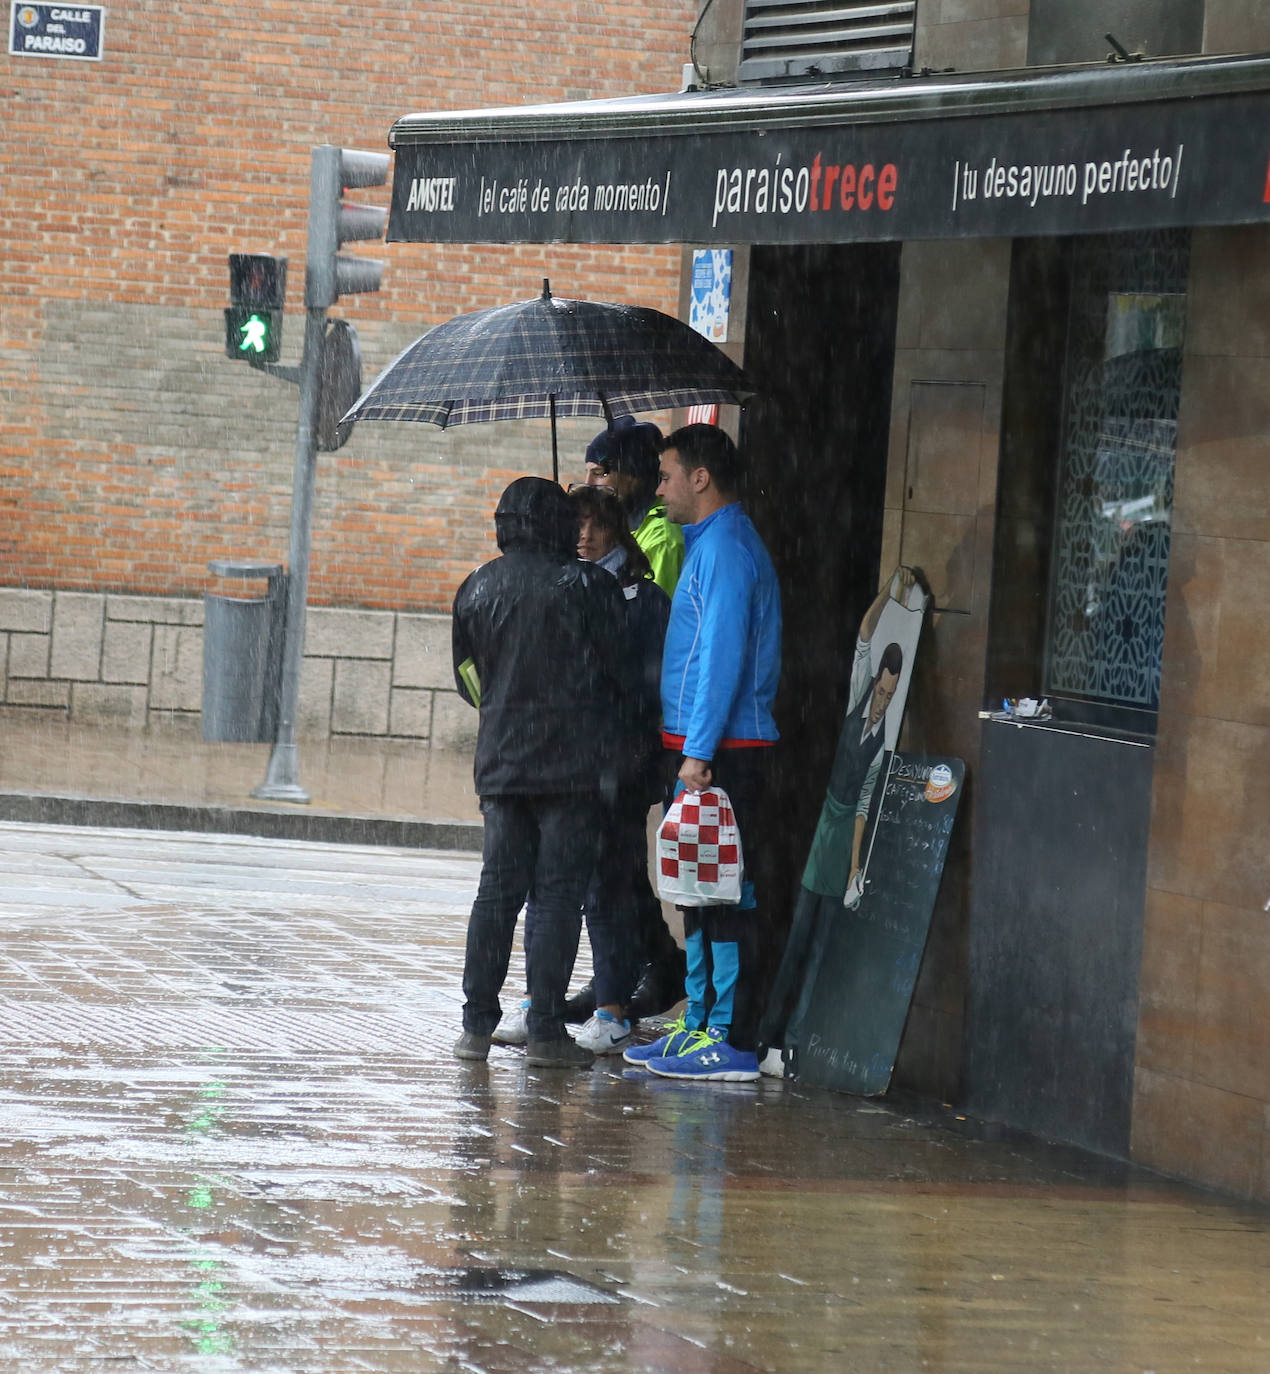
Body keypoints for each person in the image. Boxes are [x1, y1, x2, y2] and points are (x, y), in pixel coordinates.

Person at [450, 476, 626, 1070]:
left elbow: (469, 679)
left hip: (502, 766)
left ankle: (476, 1027)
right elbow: (620, 674)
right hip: (573, 771)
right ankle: (546, 1031)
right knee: (555, 897)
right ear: (557, 525)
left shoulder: (475, 588)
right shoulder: (591, 588)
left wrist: (505, 708)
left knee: (497, 893)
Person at [623, 424, 782, 1083]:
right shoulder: (707, 547)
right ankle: (698, 1024)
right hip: (703, 746)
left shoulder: (726, 551)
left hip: (725, 752)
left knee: (725, 892)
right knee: (695, 889)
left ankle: (732, 1037)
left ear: (700, 477)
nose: (657, 489)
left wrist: (698, 752)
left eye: (664, 475)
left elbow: (720, 659)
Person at [492, 485, 676, 1055]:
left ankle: (612, 1007)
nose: (585, 536)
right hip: (566, 765)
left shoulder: (641, 600)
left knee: (608, 886)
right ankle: (541, 1001)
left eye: (597, 525)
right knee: (555, 887)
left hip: (617, 765)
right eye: (576, 524)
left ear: (619, 531)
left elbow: (641, 685)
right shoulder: (562, 590)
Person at [584, 415, 685, 597]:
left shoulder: (661, 540)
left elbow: (653, 612)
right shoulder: (624, 521)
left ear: (633, 476)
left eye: (598, 473)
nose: (588, 483)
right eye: (587, 473)